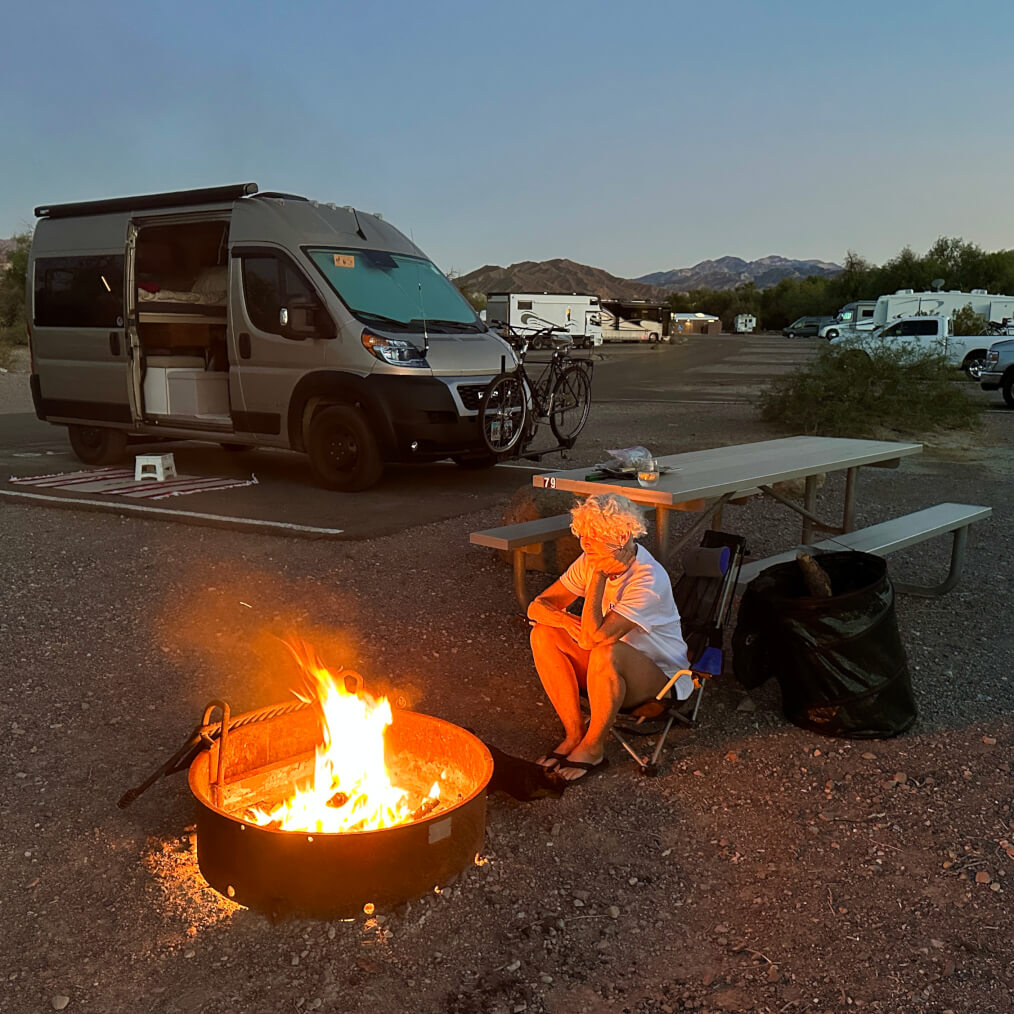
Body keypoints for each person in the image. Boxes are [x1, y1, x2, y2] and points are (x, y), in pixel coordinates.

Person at [527, 493, 691, 782]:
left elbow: (594, 640)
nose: (585, 543)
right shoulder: (591, 558)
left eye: (594, 535)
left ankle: (593, 748)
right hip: (609, 669)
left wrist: (599, 578)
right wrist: (564, 619)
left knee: (607, 651)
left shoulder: (648, 579)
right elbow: (537, 606)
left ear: (622, 534)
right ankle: (575, 733)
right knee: (544, 634)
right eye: (582, 534)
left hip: (662, 678)